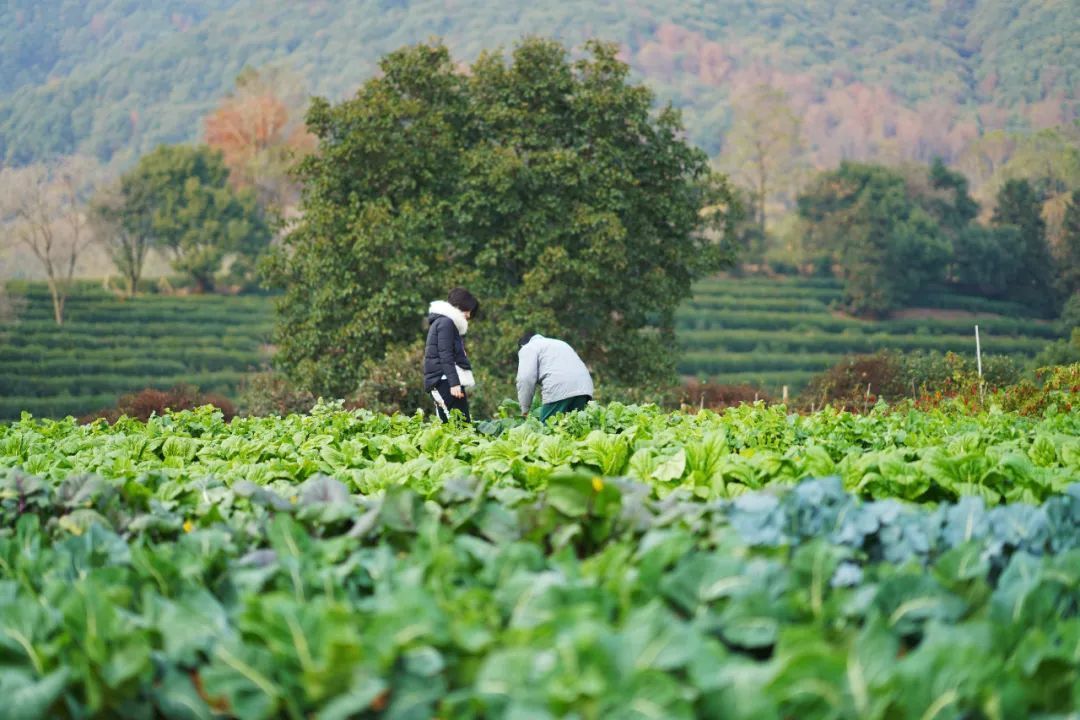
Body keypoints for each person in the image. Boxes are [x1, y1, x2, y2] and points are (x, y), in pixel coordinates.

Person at [424, 287, 479, 422]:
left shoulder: (444, 322)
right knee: (455, 425)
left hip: (446, 380)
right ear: (460, 306)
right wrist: (454, 384)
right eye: (468, 310)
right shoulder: (446, 323)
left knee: (460, 424)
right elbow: (445, 355)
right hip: (444, 382)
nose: (469, 315)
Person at [516, 332, 594, 422]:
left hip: (560, 388)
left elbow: (525, 379)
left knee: (547, 430)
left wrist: (525, 409)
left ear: (522, 346)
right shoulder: (560, 343)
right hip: (584, 388)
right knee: (574, 428)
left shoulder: (528, 348)